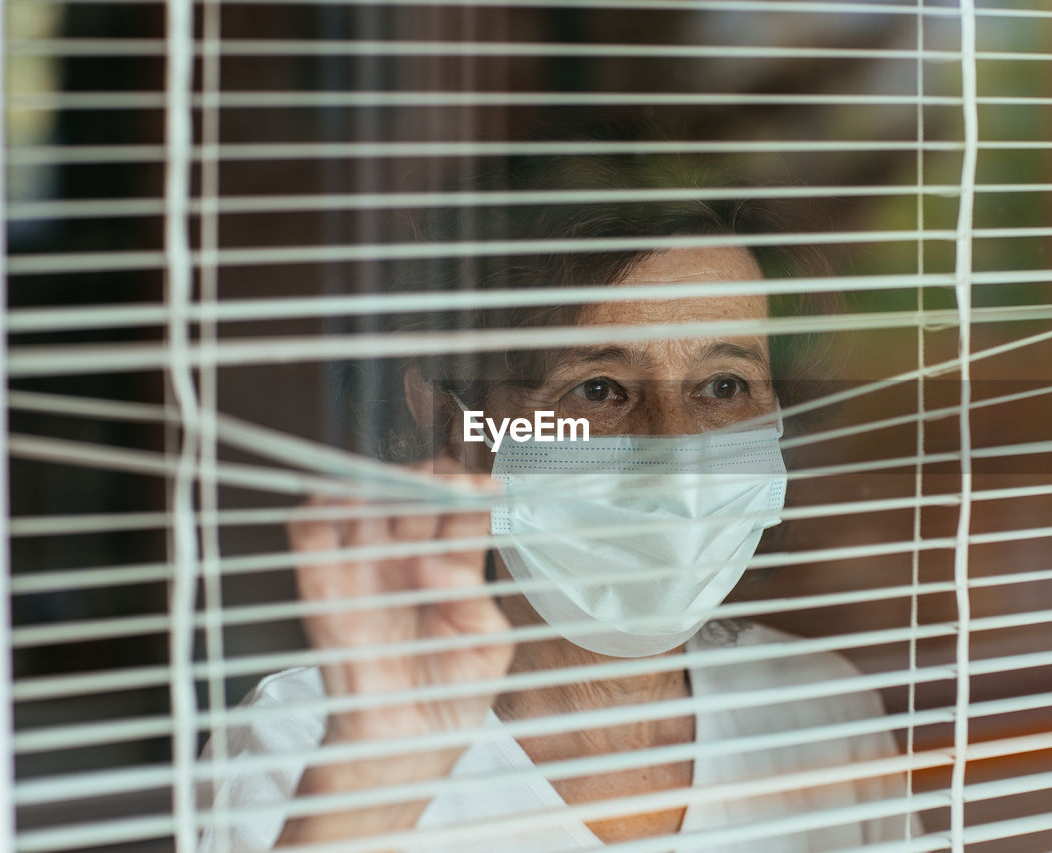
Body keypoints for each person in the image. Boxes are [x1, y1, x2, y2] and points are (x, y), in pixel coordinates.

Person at [197, 154, 918, 851]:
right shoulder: (310, 745)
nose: (674, 456)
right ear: (448, 417)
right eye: (599, 388)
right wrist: (373, 781)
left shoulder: (819, 718)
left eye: (725, 386)